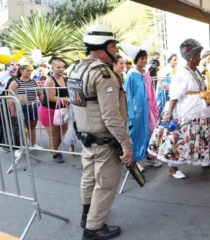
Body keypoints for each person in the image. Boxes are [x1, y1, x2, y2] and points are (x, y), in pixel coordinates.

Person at [67, 25, 133, 240]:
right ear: (102, 48)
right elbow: (111, 115)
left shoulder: (76, 69)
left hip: (87, 137)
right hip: (105, 140)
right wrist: (126, 144)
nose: (115, 51)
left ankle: (87, 216)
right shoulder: (103, 74)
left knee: (88, 179)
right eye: (113, 46)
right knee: (105, 185)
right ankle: (94, 228)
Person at [147, 38, 210, 179]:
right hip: (186, 111)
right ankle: (173, 168)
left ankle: (206, 158)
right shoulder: (182, 74)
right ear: (191, 57)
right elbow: (174, 95)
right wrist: (169, 113)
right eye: (198, 55)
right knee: (179, 138)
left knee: (205, 135)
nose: (200, 58)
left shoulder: (196, 71)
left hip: (201, 110)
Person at [120, 42, 161, 169]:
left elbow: (151, 92)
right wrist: (131, 112)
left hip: (148, 110)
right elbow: (127, 94)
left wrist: (154, 106)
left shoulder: (146, 73)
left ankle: (150, 157)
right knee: (136, 134)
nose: (144, 61)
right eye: (141, 58)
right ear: (136, 60)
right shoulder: (132, 75)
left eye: (145, 58)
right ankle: (135, 160)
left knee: (151, 131)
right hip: (137, 111)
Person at [8, 65, 44, 158]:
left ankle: (33, 144)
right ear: (22, 71)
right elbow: (10, 97)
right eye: (28, 71)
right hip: (21, 106)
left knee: (32, 126)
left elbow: (40, 93)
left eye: (30, 71)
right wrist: (13, 111)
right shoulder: (15, 82)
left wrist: (42, 105)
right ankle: (19, 148)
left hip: (33, 106)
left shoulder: (34, 81)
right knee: (21, 128)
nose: (30, 72)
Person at [39, 59, 70, 163]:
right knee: (54, 135)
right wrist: (66, 99)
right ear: (52, 68)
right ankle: (55, 154)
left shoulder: (64, 78)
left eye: (62, 67)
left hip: (62, 110)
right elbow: (50, 97)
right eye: (58, 67)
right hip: (49, 110)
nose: (61, 69)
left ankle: (54, 148)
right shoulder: (49, 80)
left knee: (64, 133)